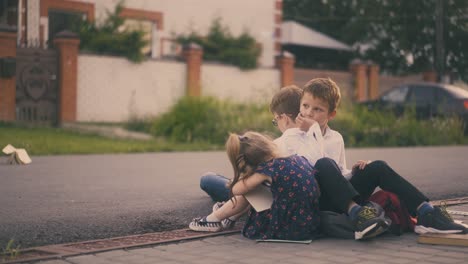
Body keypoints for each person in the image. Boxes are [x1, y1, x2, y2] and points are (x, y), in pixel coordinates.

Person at [200, 85, 390, 240]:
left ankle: (219, 212)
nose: (277, 125)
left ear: (283, 117)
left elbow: (255, 184)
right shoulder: (320, 138)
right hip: (310, 197)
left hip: (278, 199)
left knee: (210, 180)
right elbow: (338, 173)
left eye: (276, 121)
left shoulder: (281, 144)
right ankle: (223, 209)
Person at [296, 77, 466, 235]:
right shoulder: (294, 136)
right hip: (321, 201)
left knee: (377, 166)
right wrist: (313, 131)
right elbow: (315, 170)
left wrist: (353, 172)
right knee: (324, 163)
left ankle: (426, 213)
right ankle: (358, 214)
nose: (309, 113)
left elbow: (339, 174)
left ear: (331, 114)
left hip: (343, 200)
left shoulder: (336, 137)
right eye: (305, 106)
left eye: (317, 109)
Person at [190, 131, 321, 241]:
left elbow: (237, 190)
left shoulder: (267, 169)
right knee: (257, 187)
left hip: (290, 227)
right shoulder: (294, 158)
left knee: (248, 190)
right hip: (309, 221)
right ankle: (229, 217)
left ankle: (212, 220)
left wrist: (243, 172)